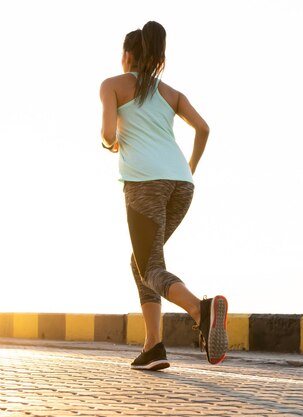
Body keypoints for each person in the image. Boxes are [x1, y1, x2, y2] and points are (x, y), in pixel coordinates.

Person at [99, 21, 228, 370]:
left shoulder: (112, 86)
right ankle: (154, 346)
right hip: (181, 185)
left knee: (150, 266)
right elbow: (203, 128)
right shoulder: (171, 93)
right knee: (142, 262)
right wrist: (189, 168)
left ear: (127, 56)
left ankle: (201, 310)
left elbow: (109, 134)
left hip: (144, 184)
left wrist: (110, 142)